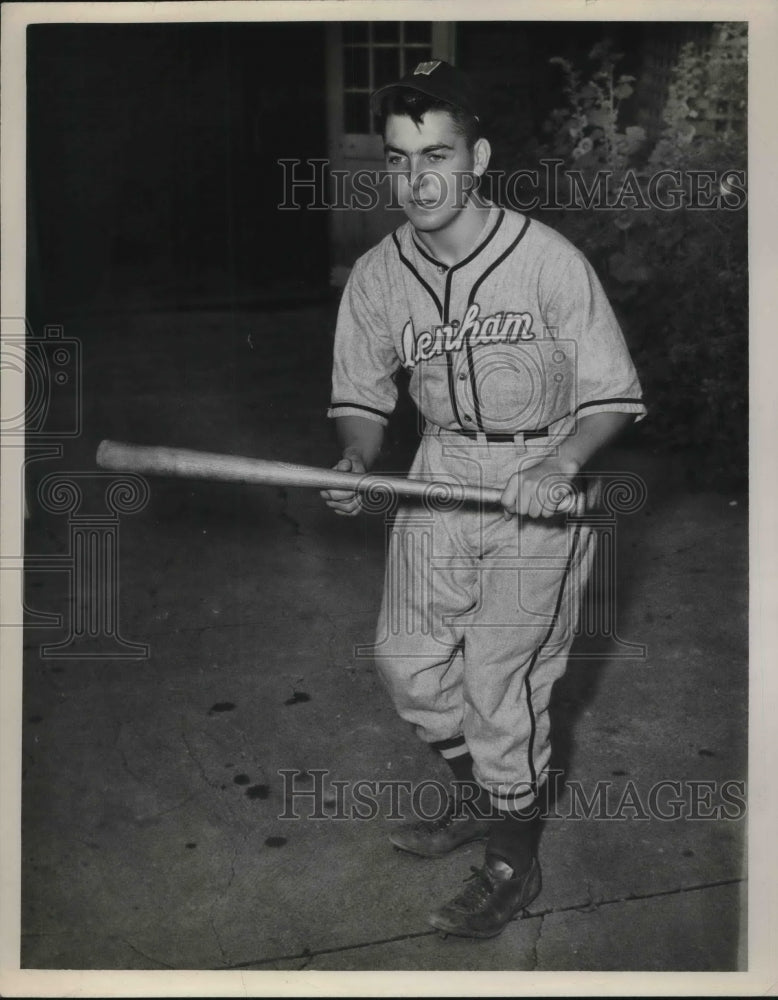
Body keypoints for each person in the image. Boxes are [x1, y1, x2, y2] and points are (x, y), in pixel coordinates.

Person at [321, 59, 646, 939]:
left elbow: (612, 395)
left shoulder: (546, 261)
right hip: (439, 470)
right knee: (407, 663)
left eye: (437, 153)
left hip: (541, 476)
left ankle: (512, 861)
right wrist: (356, 460)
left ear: (478, 157)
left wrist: (561, 465)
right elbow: (361, 398)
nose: (418, 178)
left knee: (501, 682)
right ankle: (484, 798)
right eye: (398, 158)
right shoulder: (378, 275)